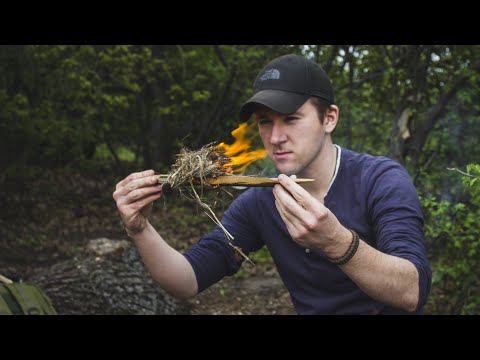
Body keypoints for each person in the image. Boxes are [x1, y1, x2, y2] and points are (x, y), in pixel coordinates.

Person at [113, 54, 431, 314]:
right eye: (265, 122)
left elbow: (412, 291)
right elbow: (188, 280)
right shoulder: (261, 198)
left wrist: (336, 242)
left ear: (329, 118)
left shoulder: (380, 180)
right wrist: (140, 229)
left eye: (291, 119)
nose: (276, 138)